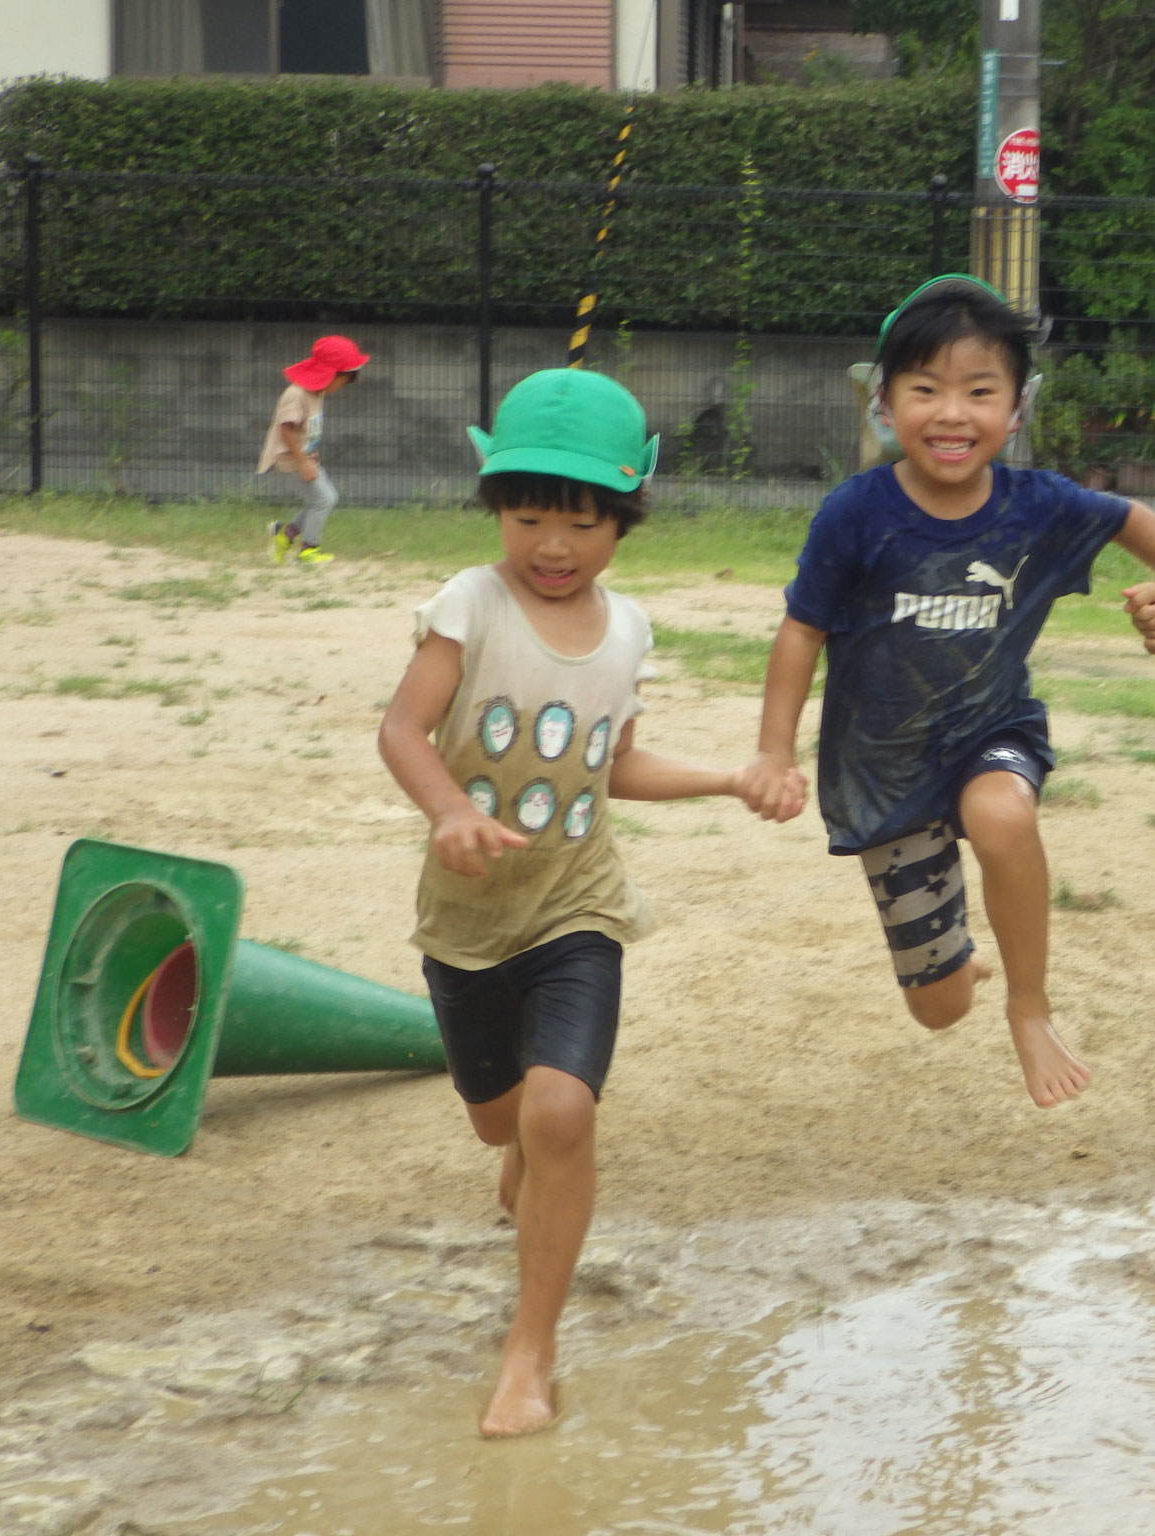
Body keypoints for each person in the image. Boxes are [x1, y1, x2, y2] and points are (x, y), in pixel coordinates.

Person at [377, 368, 756, 1438]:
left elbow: (612, 769)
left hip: (575, 906)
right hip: (464, 922)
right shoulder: (468, 605)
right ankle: (522, 1153)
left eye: (581, 519)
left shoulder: (628, 631)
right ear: (495, 508)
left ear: (622, 516)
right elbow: (402, 731)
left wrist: (726, 777)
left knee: (562, 1111)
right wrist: (449, 810)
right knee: (499, 1119)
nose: (552, 541)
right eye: (527, 513)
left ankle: (528, 1353)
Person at [741, 275, 1155, 1110]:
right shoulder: (856, 515)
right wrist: (774, 752)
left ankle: (1031, 1006)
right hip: (883, 772)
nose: (952, 413)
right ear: (884, 403)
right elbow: (801, 630)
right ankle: (960, 956)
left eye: (978, 391)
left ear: (1015, 409)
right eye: (926, 390)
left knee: (1000, 813)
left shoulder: (1037, 507)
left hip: (993, 730)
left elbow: (1129, 516)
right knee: (940, 1009)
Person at [259, 334, 367, 566]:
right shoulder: (296, 394)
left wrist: (308, 458)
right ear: (330, 373)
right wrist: (302, 461)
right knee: (324, 499)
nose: (343, 386)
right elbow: (285, 429)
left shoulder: (316, 393)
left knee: (324, 500)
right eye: (343, 379)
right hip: (290, 460)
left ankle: (284, 535)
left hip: (304, 458)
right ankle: (308, 550)